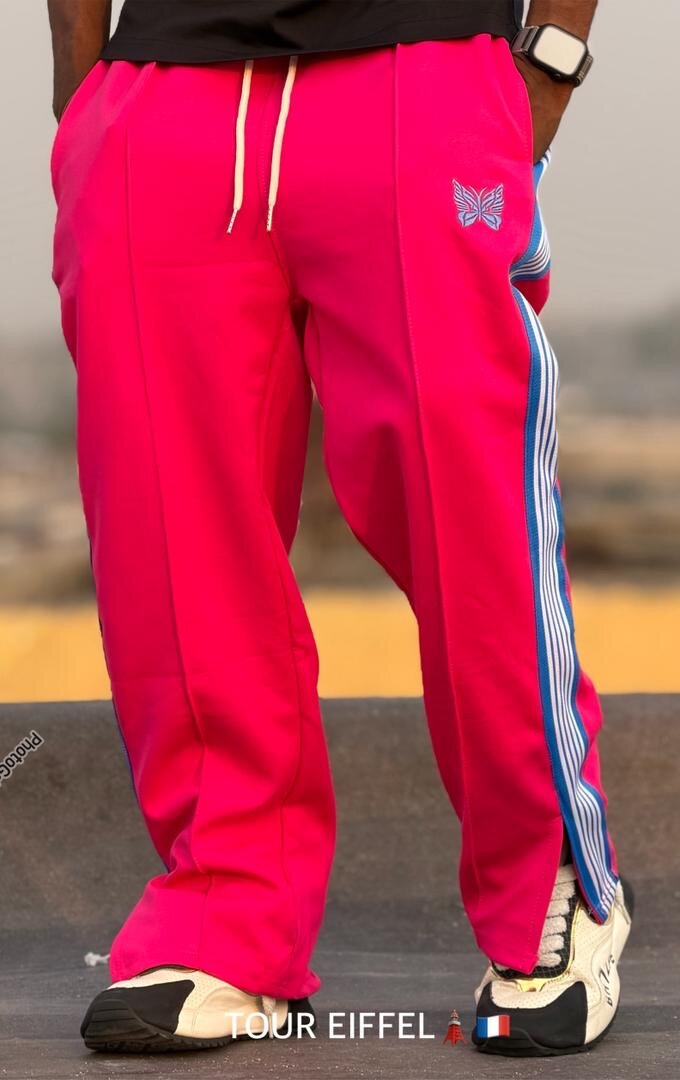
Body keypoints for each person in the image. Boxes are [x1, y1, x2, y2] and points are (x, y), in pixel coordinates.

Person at [48, 0, 632, 1057]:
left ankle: (550, 885)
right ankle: (227, 918)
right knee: (172, 532)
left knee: (466, 507)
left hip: (418, 62)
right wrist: (83, 87)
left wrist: (547, 63)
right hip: (165, 83)